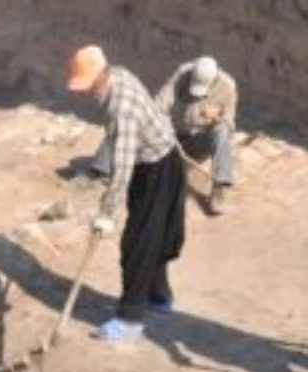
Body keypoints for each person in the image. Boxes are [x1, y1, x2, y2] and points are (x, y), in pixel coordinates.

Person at [67, 45, 187, 341]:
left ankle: (130, 318)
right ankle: (159, 297)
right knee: (151, 237)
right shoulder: (117, 74)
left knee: (138, 243)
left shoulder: (122, 108)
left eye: (87, 86)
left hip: (159, 167)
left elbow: (120, 168)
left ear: (99, 77)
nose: (85, 92)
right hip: (152, 163)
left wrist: (105, 214)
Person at [89, 56, 238, 216]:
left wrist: (217, 117)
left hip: (196, 142)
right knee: (129, 116)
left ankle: (219, 189)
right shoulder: (183, 74)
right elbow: (159, 105)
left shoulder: (227, 87)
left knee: (221, 132)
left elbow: (229, 125)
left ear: (214, 80)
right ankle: (100, 170)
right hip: (168, 137)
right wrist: (166, 129)